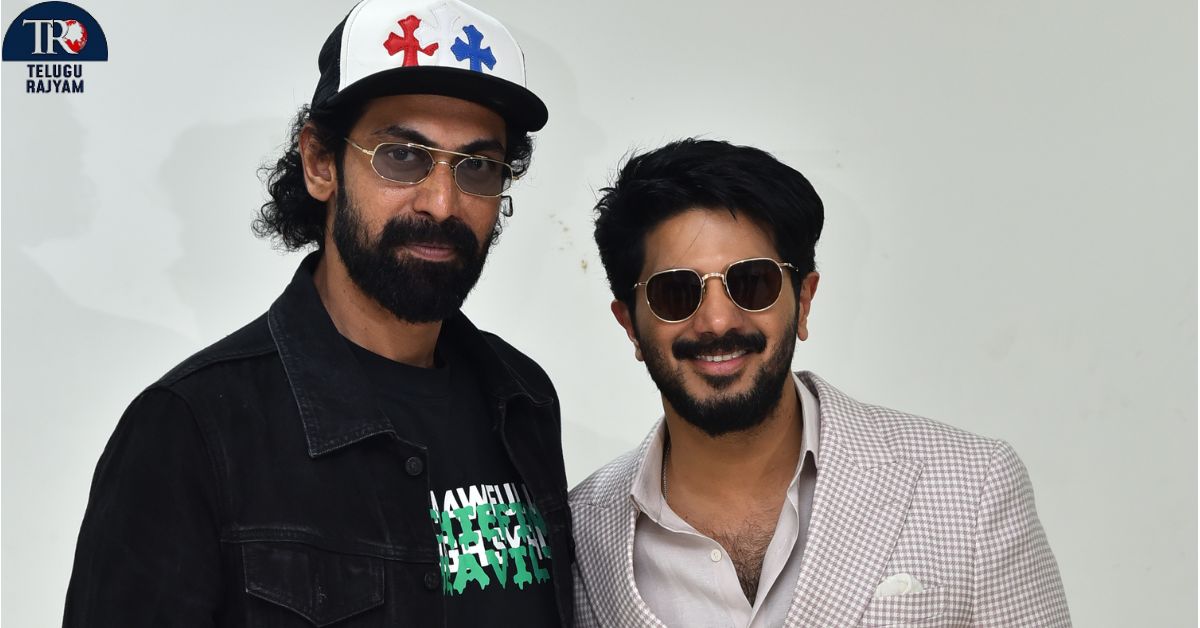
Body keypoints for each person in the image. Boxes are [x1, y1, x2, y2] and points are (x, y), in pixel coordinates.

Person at [63, 0, 573, 625]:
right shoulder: (189, 429)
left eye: (477, 166)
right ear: (320, 162)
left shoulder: (523, 400)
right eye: (402, 156)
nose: (442, 203)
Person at [571, 139, 1070, 627]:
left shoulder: (971, 486)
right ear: (630, 325)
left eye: (752, 283)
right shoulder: (577, 535)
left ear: (804, 301)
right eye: (676, 293)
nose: (718, 321)